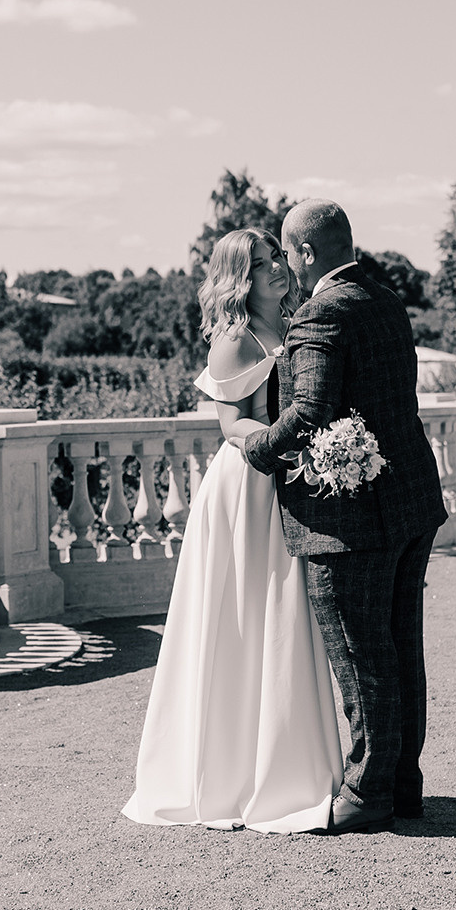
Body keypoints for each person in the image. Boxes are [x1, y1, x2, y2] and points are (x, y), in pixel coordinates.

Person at [121, 228, 344, 834]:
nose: (276, 268)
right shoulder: (235, 340)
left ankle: (291, 765)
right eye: (262, 263)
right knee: (247, 616)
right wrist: (282, 447)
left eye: (277, 258)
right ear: (239, 277)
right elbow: (230, 424)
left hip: (290, 477)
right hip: (250, 487)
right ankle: (232, 776)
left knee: (287, 617)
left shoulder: (298, 323)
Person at [243, 198, 447, 833]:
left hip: (350, 522)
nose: (289, 268)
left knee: (361, 657)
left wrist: (252, 446)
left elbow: (309, 414)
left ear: (306, 253)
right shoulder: (387, 301)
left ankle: (367, 791)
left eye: (289, 254)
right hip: (412, 502)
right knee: (400, 650)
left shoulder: (318, 317)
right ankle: (403, 783)